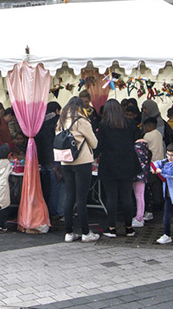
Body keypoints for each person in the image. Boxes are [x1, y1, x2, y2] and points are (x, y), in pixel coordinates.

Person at [96, 99, 142, 238]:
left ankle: (112, 228)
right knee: (127, 196)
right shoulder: (129, 124)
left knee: (111, 197)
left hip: (109, 164)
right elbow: (136, 139)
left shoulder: (103, 126)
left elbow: (99, 147)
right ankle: (129, 228)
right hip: (128, 163)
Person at [57, 96, 99, 242]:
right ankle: (86, 233)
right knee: (81, 198)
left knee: (70, 196)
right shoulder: (81, 120)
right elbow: (94, 143)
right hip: (82, 162)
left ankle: (69, 233)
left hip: (65, 162)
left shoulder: (61, 120)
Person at [36, 101, 63, 223]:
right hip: (54, 157)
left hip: (42, 158)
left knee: (45, 185)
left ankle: (44, 209)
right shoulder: (57, 121)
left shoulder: (38, 122)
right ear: (57, 110)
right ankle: (54, 212)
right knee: (56, 186)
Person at [143, 116, 165, 219]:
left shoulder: (147, 136)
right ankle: (159, 204)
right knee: (158, 185)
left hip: (151, 163)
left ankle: (150, 209)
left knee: (150, 188)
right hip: (159, 162)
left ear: (148, 126)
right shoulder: (159, 134)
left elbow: (144, 149)